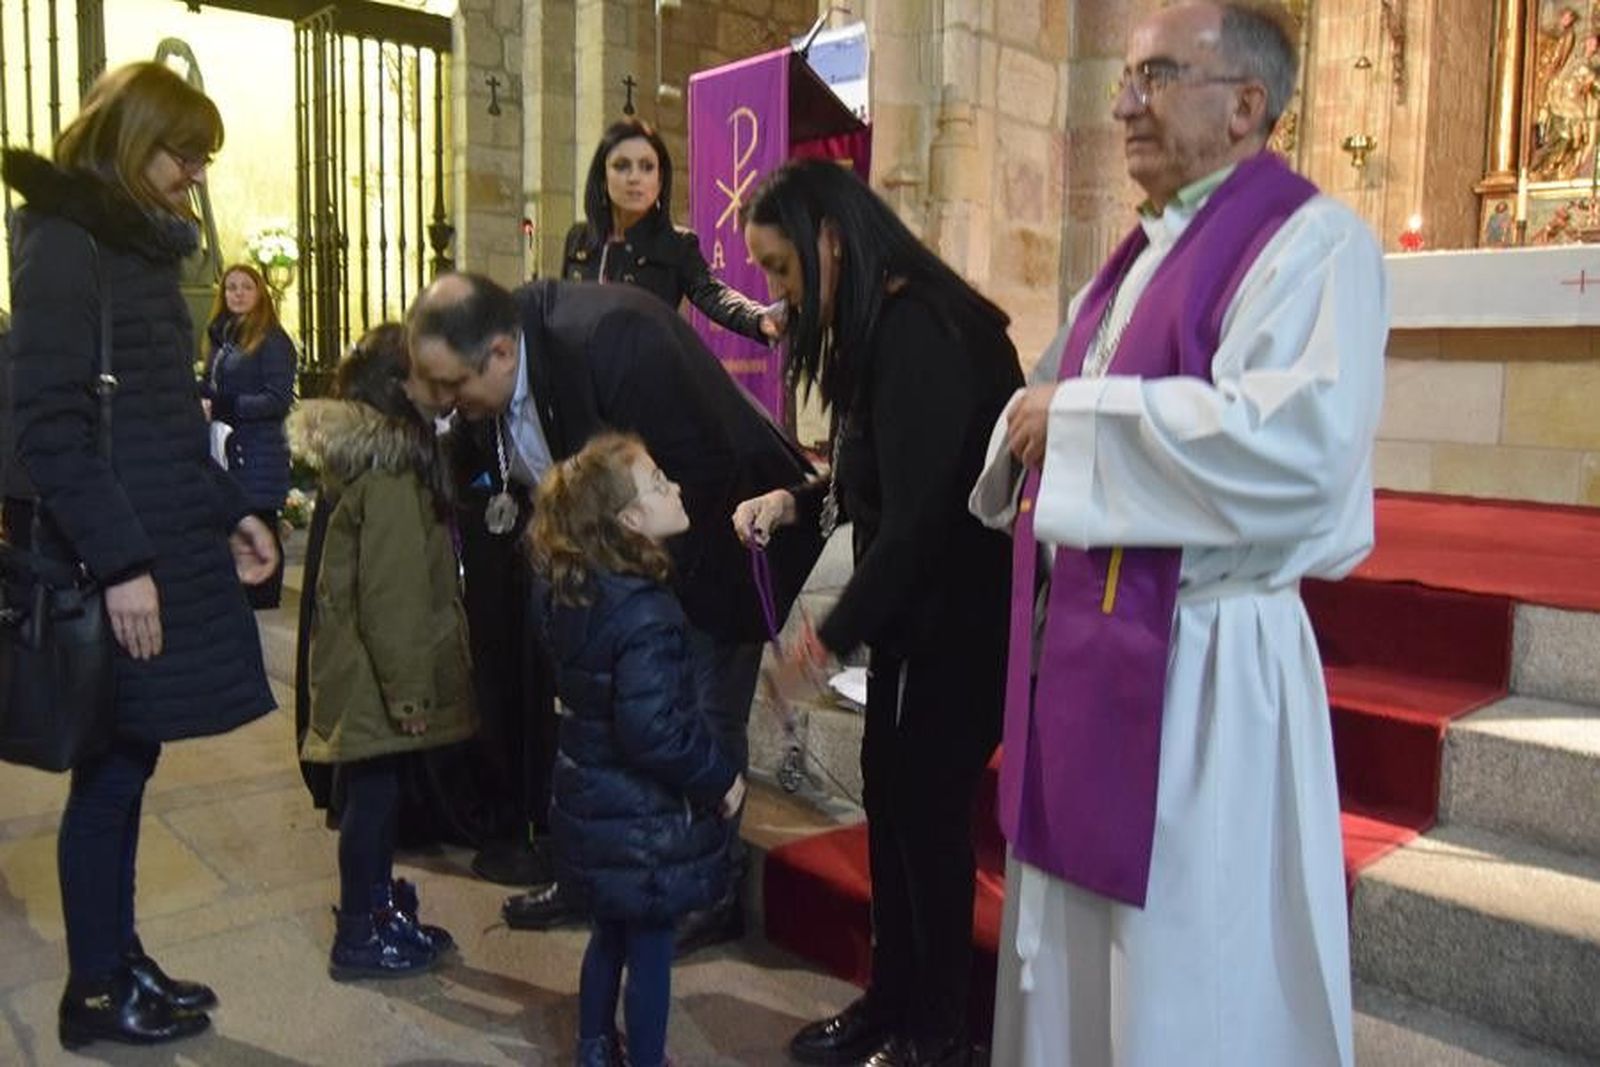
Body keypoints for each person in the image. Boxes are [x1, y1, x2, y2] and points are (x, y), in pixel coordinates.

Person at [966, 4, 1387, 1065]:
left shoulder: (1313, 243)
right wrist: (1044, 423)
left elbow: (1298, 449)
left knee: (1188, 972)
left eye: (1153, 76)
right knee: (1082, 963)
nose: (1121, 103)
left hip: (1203, 668)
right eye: (1124, 77)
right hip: (1095, 655)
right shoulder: (1140, 255)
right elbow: (1045, 404)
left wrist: (1075, 418)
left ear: (1245, 105)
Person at [405, 272, 820, 949]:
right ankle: (588, 877)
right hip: (612, 566)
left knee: (699, 719)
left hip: (716, 544)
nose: (451, 407)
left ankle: (709, 891)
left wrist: (639, 599)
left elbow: (703, 472)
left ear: (502, 353)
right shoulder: (495, 374)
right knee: (596, 724)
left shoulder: (612, 337)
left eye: (455, 388)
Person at [1, 62, 278, 1049]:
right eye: (186, 154)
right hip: (114, 559)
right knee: (109, 771)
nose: (197, 176)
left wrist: (230, 509)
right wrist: (122, 563)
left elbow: (160, 419)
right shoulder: (66, 242)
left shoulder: (140, 248)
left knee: (129, 761)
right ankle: (91, 989)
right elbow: (49, 429)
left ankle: (116, 956)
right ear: (131, 140)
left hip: (160, 538)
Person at [733, 158, 1022, 1067]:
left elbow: (924, 516)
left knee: (928, 831)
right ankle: (892, 1004)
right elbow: (883, 470)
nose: (776, 294)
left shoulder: (923, 328)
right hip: (918, 624)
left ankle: (938, 1033)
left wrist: (823, 638)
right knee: (896, 812)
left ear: (828, 240)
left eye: (780, 267)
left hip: (953, 627)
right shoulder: (888, 325)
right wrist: (802, 494)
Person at [532, 432, 746, 1067]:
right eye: (657, 484)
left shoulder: (575, 588)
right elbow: (653, 729)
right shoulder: (646, 611)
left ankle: (595, 1047)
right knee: (650, 948)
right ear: (629, 521)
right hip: (641, 819)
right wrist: (719, 778)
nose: (674, 487)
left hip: (595, 802)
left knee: (608, 935)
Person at [288, 323, 477, 980]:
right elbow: (392, 591)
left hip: (362, 667)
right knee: (372, 799)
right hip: (376, 674)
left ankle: (373, 906)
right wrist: (409, 691)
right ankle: (362, 930)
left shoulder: (376, 453)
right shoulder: (393, 466)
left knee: (374, 794)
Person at [562, 117, 780, 343]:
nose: (634, 177)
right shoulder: (579, 238)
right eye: (621, 166)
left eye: (647, 167)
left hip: (644, 372)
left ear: (660, 179)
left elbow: (712, 293)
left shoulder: (677, 244)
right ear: (602, 177)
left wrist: (758, 318)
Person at [201, 261, 298, 608]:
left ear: (260, 294)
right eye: (231, 287)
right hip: (231, 448)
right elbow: (216, 386)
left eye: (245, 287)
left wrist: (226, 405)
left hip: (259, 451)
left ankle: (264, 600)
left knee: (260, 525)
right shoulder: (224, 336)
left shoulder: (271, 339)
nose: (237, 294)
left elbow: (277, 398)